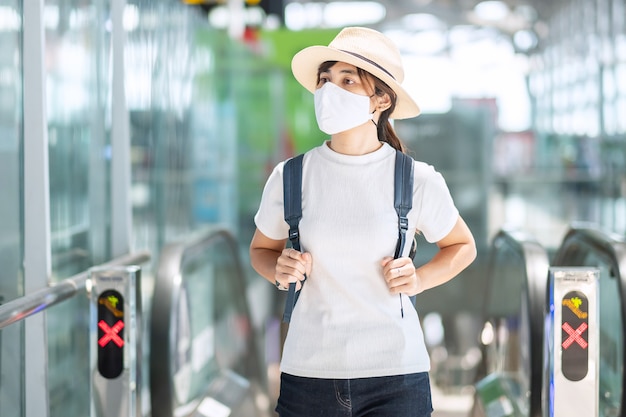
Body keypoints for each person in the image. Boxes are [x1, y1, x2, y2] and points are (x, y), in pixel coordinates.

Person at [249, 26, 476, 417]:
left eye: (347, 80)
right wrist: (278, 268)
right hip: (308, 374)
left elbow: (462, 246)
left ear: (381, 99)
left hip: (397, 376)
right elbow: (261, 251)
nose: (328, 90)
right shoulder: (290, 176)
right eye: (324, 79)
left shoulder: (415, 179)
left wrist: (419, 278)